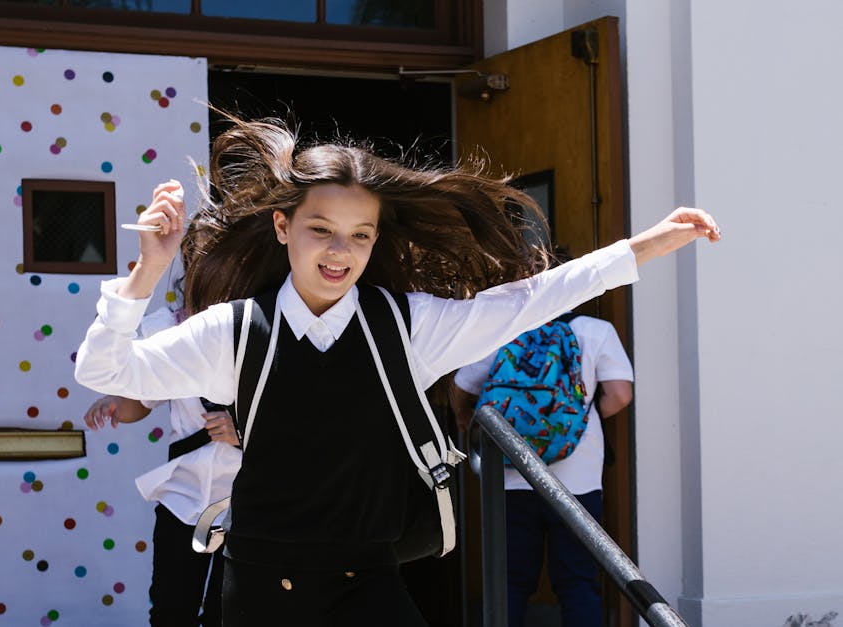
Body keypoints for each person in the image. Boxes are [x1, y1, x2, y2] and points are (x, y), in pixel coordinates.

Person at [73, 113, 721, 627]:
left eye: (360, 234)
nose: (339, 251)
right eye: (321, 229)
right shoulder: (235, 331)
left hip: (371, 584)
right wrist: (148, 270)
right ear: (281, 226)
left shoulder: (405, 325)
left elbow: (525, 301)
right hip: (266, 589)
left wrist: (644, 246)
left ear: (376, 239)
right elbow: (107, 369)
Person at [453, 248, 634, 627]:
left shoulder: (504, 331)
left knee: (510, 584)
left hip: (510, 479)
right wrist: (579, 421)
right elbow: (620, 394)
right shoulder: (594, 331)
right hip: (578, 482)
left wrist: (464, 419)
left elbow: (462, 385)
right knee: (578, 583)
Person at [82, 233, 242, 626]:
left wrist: (243, 431)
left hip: (245, 496)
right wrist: (116, 402)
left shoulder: (254, 325)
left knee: (229, 611)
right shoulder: (165, 328)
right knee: (171, 607)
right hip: (182, 493)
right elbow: (142, 400)